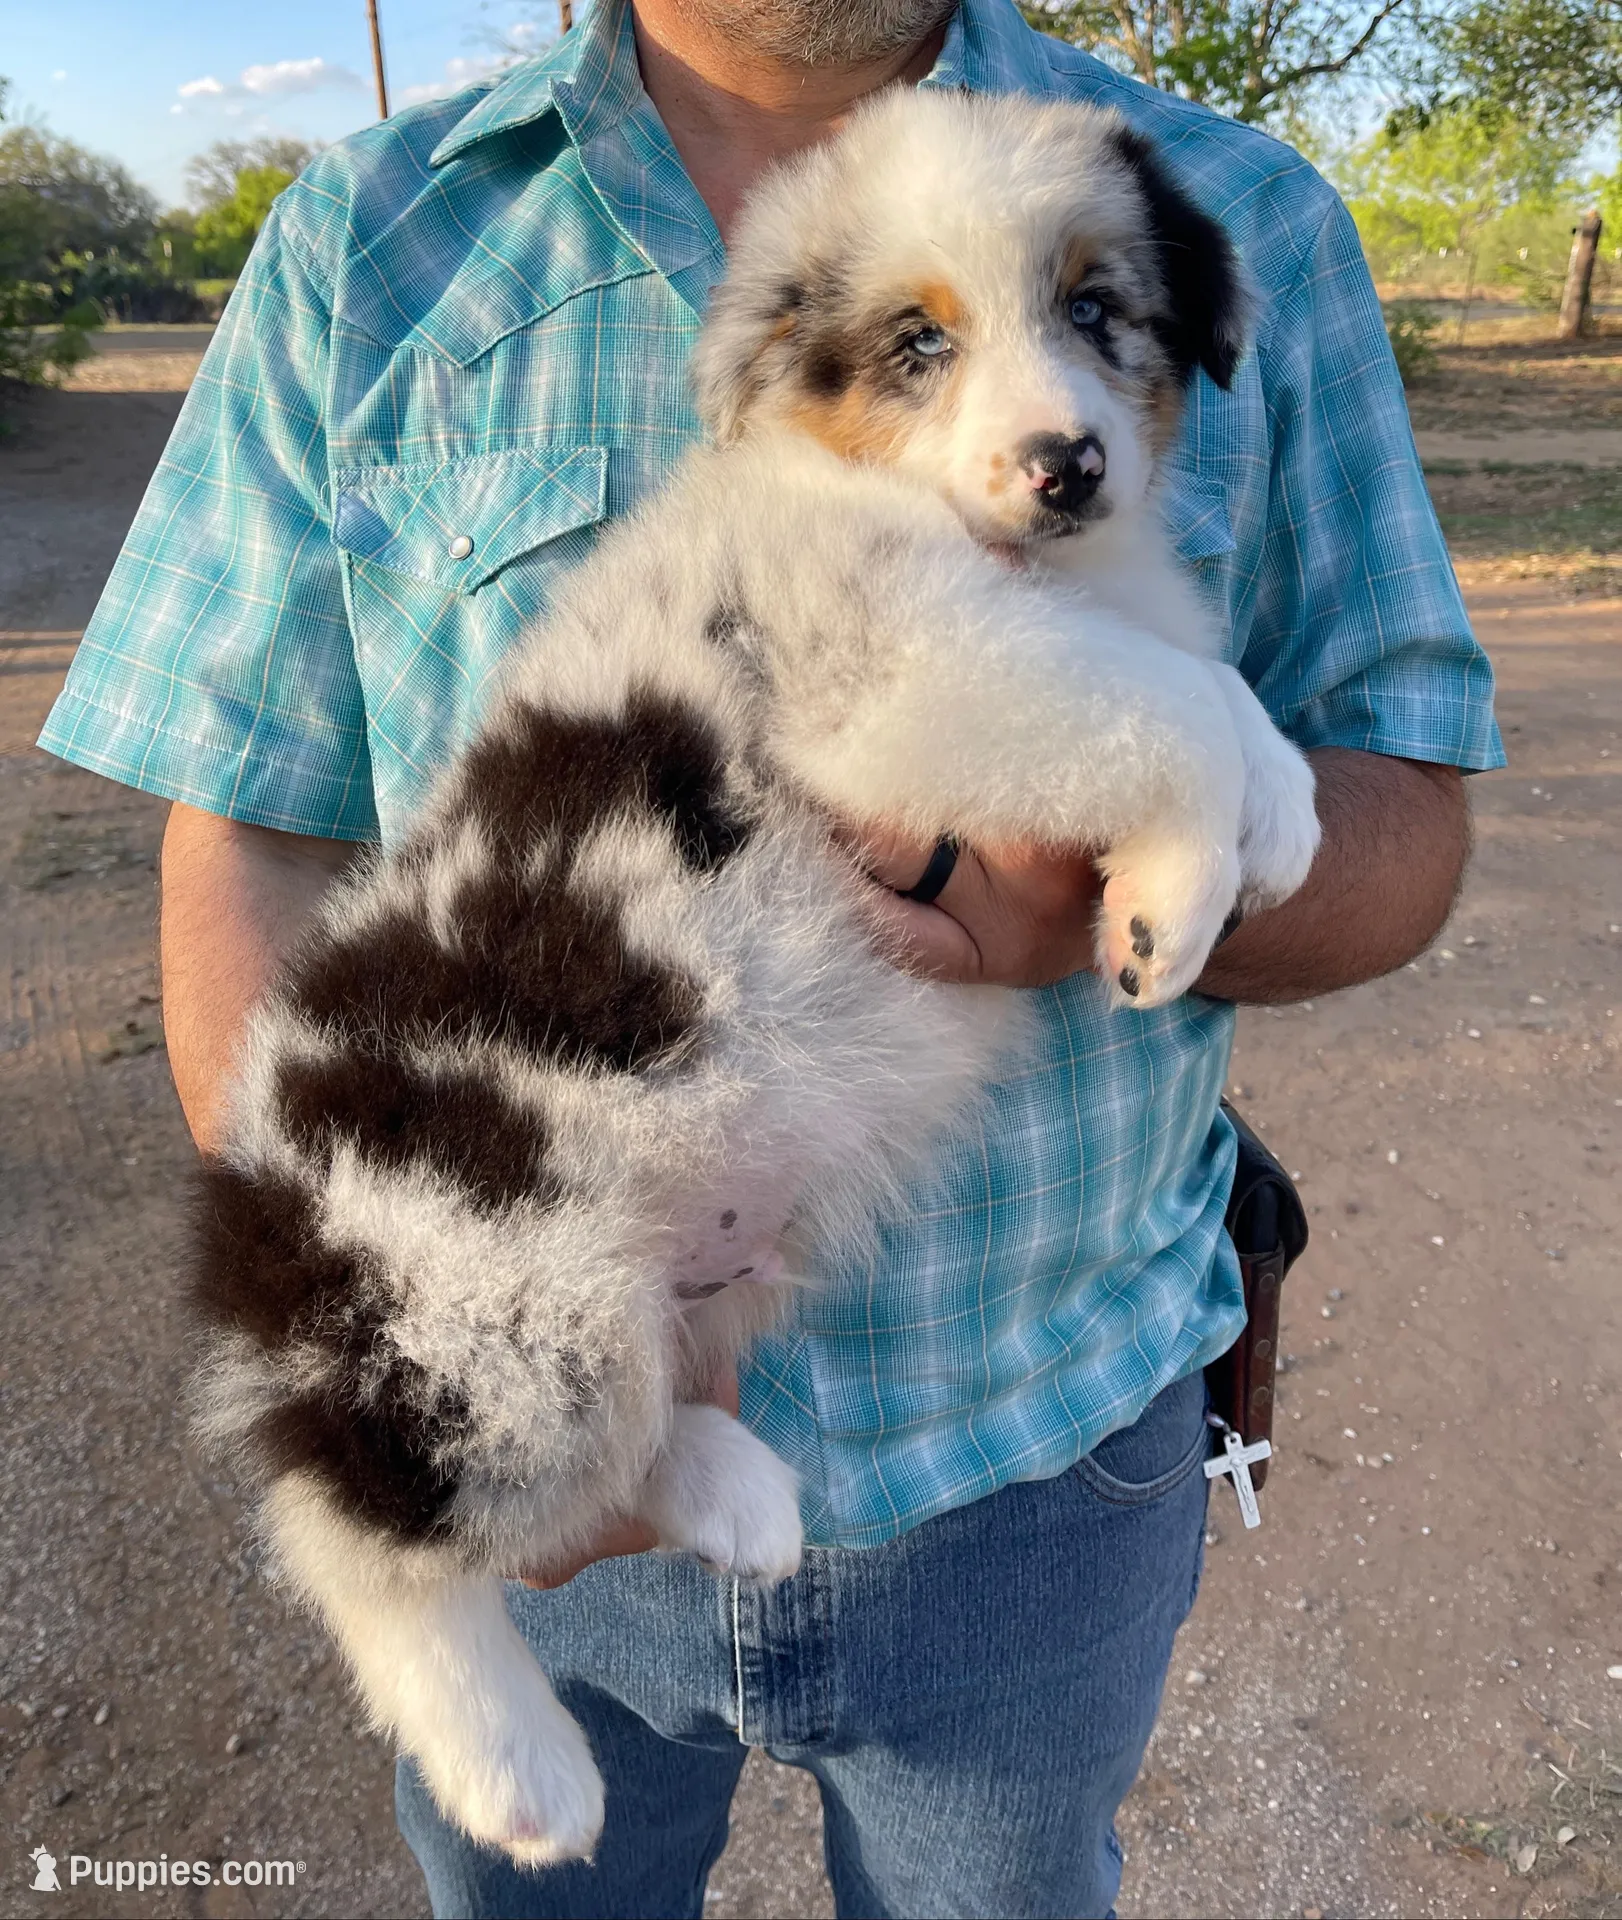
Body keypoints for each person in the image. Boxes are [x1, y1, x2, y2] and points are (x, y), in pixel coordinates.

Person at [39, 0, 1502, 1913]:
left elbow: (1391, 808)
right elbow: (249, 822)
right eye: (925, 342)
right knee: (439, 1514)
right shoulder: (371, 244)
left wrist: (1184, 849)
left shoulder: (1234, 211)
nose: (1037, 410)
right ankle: (410, 1580)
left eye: (1091, 324)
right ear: (775, 369)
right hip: (551, 1223)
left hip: (1041, 1457)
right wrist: (377, 1308)